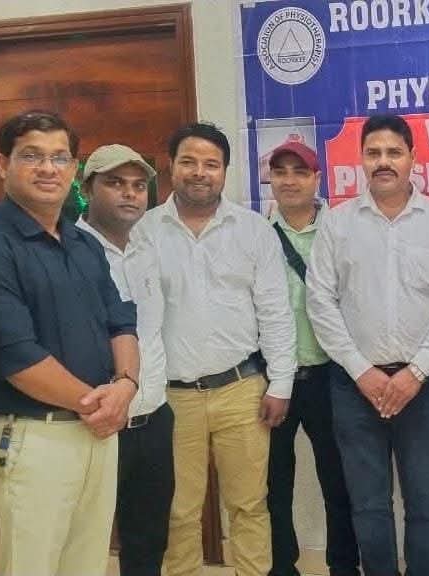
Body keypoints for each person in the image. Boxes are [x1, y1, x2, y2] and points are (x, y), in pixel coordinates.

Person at [0, 111, 138, 575]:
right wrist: (101, 405)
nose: (48, 168)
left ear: (73, 169)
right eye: (32, 156)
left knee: (87, 565)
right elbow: (17, 355)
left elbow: (121, 321)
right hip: (36, 438)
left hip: (98, 432)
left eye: (60, 157)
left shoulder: (84, 243)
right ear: (2, 164)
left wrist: (127, 385)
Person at [132, 122, 297, 576]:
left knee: (249, 505)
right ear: (170, 166)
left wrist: (280, 383)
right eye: (188, 162)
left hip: (241, 390)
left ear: (225, 170)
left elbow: (275, 312)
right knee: (178, 510)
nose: (199, 172)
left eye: (211, 164)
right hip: (171, 396)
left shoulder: (253, 230)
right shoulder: (144, 231)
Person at [307, 114, 429, 576]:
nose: (383, 162)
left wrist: (415, 373)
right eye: (373, 153)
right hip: (355, 386)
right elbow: (320, 302)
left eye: (394, 152)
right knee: (368, 506)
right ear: (361, 160)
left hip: (426, 386)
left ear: (413, 157)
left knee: (426, 504)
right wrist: (362, 371)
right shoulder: (337, 224)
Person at [76, 143, 174, 576]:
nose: (129, 193)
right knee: (84, 540)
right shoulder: (68, 252)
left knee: (148, 538)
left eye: (138, 185)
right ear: (86, 188)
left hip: (153, 417)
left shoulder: (147, 249)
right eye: (115, 183)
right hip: (95, 423)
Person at [264, 140, 360, 576]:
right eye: (280, 172)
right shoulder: (256, 235)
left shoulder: (341, 231)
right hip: (273, 380)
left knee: (339, 483)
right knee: (273, 486)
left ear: (317, 179)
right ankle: (282, 567)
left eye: (300, 172)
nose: (289, 181)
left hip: (331, 376)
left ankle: (344, 566)